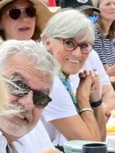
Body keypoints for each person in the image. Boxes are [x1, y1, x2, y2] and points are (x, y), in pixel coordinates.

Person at [40, 8, 107, 142]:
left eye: (84, 46)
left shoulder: (58, 72)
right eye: (69, 43)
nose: (77, 53)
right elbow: (91, 146)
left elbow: (100, 140)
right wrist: (83, 98)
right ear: (48, 42)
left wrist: (95, 101)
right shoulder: (47, 77)